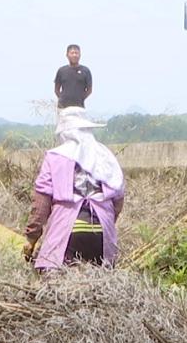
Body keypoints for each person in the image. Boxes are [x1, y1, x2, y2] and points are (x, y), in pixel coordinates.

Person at [23, 107, 125, 271]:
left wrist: (31, 239)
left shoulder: (55, 156)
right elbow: (118, 200)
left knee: (56, 279)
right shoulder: (105, 156)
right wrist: (105, 223)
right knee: (99, 280)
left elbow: (41, 206)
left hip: (68, 228)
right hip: (102, 229)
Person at [54, 44, 92, 109]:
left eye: (76, 53)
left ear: (80, 55)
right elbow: (56, 90)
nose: (74, 55)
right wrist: (62, 99)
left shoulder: (85, 71)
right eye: (72, 53)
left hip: (79, 107)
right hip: (63, 107)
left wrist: (81, 98)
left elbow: (89, 90)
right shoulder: (61, 70)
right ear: (67, 55)